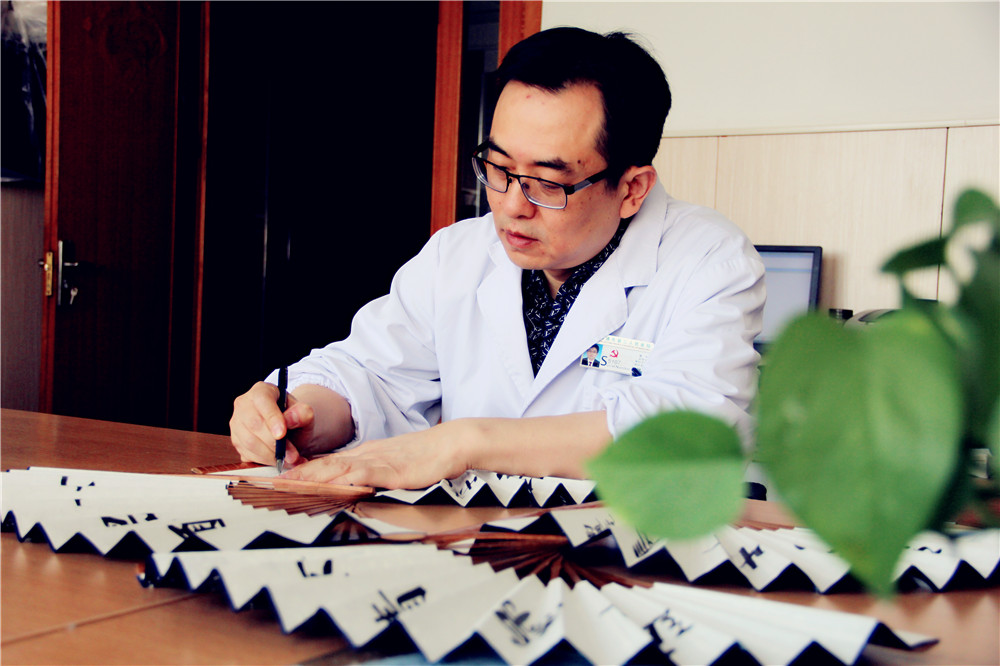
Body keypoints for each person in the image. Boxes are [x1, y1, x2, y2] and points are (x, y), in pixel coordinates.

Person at [229, 27, 765, 490]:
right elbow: (370, 373)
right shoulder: (458, 254)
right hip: (466, 535)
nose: (510, 206)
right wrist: (298, 416)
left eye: (547, 183)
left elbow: (693, 428)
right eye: (499, 168)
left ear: (631, 189)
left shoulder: (707, 259)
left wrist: (464, 443)